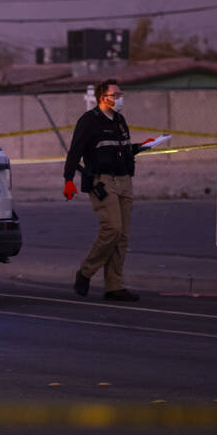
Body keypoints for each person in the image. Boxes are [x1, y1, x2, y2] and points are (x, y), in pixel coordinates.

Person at [62, 79, 152, 301]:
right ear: (103, 98)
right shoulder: (89, 121)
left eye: (121, 94)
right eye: (116, 95)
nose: (120, 99)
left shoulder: (120, 120)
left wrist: (141, 147)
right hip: (102, 181)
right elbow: (75, 152)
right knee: (112, 229)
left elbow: (120, 149)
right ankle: (86, 271)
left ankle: (114, 285)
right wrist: (68, 179)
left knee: (122, 236)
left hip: (124, 180)